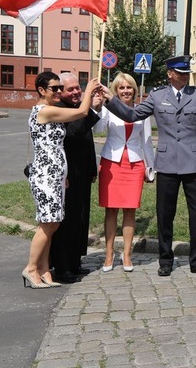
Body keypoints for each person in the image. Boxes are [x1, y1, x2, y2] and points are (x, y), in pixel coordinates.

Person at [100, 55, 196, 277]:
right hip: (166, 163)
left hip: (194, 162)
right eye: (180, 73)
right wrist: (110, 100)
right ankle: (165, 260)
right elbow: (133, 114)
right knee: (164, 214)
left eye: (186, 73)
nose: (184, 77)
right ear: (170, 74)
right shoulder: (157, 96)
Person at [23, 72, 98, 289]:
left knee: (53, 223)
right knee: (47, 224)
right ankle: (31, 268)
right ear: (41, 90)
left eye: (58, 88)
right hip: (46, 174)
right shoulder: (45, 111)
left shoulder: (51, 110)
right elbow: (83, 112)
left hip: (56, 175)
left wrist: (63, 175)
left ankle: (45, 269)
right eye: (54, 88)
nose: (57, 92)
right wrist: (90, 90)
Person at [94, 72, 155, 273]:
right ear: (115, 91)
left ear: (135, 90)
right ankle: (109, 253)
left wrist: (150, 168)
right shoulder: (108, 109)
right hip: (112, 162)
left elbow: (147, 141)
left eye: (129, 87)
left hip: (135, 164)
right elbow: (98, 129)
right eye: (121, 87)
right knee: (110, 209)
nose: (126, 91)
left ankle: (127, 254)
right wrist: (97, 106)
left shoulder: (141, 111)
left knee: (130, 210)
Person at [48, 73, 102, 284]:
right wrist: (91, 107)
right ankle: (62, 267)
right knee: (66, 222)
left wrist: (92, 168)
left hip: (82, 173)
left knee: (80, 219)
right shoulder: (60, 110)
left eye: (78, 88)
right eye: (70, 90)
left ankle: (75, 261)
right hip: (66, 175)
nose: (76, 92)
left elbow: (87, 141)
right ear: (61, 91)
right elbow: (77, 131)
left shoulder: (79, 106)